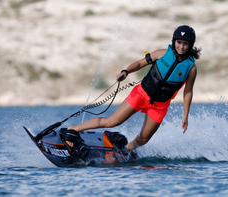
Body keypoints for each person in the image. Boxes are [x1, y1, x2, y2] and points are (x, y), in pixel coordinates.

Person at [60, 25, 201, 155]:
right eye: (179, 42)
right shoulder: (162, 54)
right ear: (174, 41)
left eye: (185, 43)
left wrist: (185, 115)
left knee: (144, 138)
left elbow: (188, 92)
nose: (181, 46)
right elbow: (140, 63)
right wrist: (126, 71)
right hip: (141, 94)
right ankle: (73, 129)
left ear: (190, 45)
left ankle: (126, 150)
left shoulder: (191, 68)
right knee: (111, 121)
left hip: (159, 105)